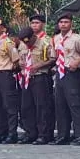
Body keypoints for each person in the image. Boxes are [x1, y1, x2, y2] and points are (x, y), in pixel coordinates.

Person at [52, 14, 80, 145]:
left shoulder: (76, 38)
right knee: (60, 104)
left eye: (66, 22)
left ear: (71, 24)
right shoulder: (56, 39)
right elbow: (54, 56)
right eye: (61, 22)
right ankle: (63, 135)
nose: (63, 24)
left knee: (75, 104)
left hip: (73, 73)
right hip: (60, 72)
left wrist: (77, 61)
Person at [19, 14, 55, 144]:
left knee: (42, 107)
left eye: (37, 23)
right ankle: (30, 133)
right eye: (32, 23)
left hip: (40, 77)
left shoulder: (46, 42)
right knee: (27, 106)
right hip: (27, 78)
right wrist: (21, 64)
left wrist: (39, 65)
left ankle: (43, 134)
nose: (27, 44)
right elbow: (20, 57)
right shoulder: (23, 44)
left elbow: (53, 59)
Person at [0, 17, 22, 144]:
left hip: (5, 74)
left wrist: (9, 71)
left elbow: (16, 61)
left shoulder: (8, 43)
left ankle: (12, 133)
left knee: (9, 105)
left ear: (3, 29)